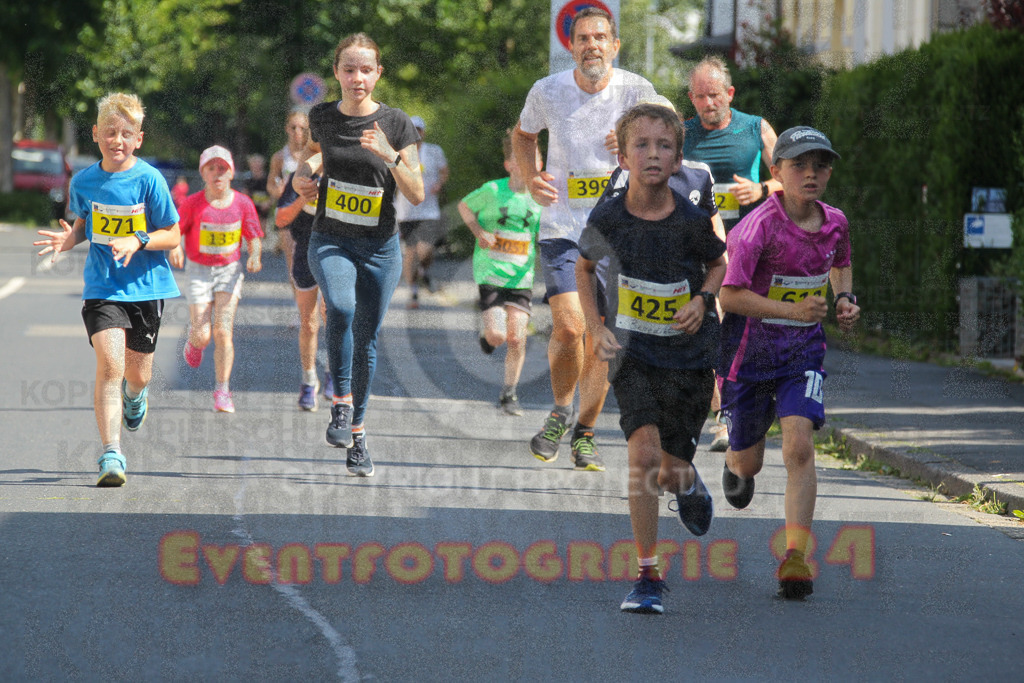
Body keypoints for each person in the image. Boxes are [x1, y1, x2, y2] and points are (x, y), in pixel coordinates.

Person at [577, 103, 726, 614]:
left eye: (664, 146)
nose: (653, 155)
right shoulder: (610, 215)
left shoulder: (689, 219)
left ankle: (685, 479)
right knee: (642, 454)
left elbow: (718, 263)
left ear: (679, 159)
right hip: (632, 350)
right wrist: (596, 327)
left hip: (689, 354)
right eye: (641, 145)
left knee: (669, 466)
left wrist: (702, 300)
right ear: (622, 156)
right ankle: (647, 574)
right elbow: (583, 268)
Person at [717, 126, 860, 600]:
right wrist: (791, 309)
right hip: (749, 353)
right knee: (749, 462)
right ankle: (736, 465)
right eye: (799, 165)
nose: (811, 173)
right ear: (776, 173)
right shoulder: (760, 226)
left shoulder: (835, 220)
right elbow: (731, 296)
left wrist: (843, 298)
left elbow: (839, 259)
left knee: (799, 446)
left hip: (803, 351)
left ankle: (795, 556)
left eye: (820, 164)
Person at [514, 6, 657, 472]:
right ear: (571, 47)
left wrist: (639, 136)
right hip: (562, 228)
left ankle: (586, 430)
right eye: (583, 38)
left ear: (614, 46)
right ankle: (560, 409)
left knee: (604, 341)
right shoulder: (548, 91)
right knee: (572, 326)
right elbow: (523, 134)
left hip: (620, 232)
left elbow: (670, 134)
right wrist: (531, 175)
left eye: (601, 37)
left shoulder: (635, 90)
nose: (592, 45)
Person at [33, 92, 181, 487]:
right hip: (102, 288)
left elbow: (173, 234)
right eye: (110, 132)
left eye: (126, 134)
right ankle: (111, 453)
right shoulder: (83, 181)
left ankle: (136, 397)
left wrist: (139, 240)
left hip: (145, 288)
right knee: (110, 366)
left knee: (139, 374)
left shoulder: (149, 180)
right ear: (96, 134)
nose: (118, 140)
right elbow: (84, 224)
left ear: (139, 139)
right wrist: (70, 239)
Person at [293, 32, 424, 477]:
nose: (357, 78)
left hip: (381, 248)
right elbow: (315, 155)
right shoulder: (323, 117)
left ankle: (359, 437)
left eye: (365, 69)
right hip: (330, 238)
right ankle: (341, 402)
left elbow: (418, 192)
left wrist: (389, 155)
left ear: (378, 73)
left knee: (366, 340)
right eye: (349, 69)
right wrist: (301, 175)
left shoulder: (397, 124)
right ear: (336, 73)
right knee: (342, 308)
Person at [685, 55, 784, 452]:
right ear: (691, 99)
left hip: (753, 245)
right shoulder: (682, 134)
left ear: (729, 93)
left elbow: (791, 181)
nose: (708, 104)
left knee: (746, 335)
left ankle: (749, 405)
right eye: (700, 97)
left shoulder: (756, 128)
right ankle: (725, 415)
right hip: (705, 249)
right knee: (714, 328)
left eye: (714, 96)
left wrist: (761, 190)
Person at [169, 145, 263, 413]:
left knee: (223, 332)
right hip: (198, 270)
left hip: (228, 271)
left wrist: (255, 256)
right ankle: (194, 340)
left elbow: (253, 236)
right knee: (203, 336)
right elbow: (175, 228)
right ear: (204, 174)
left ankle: (222, 390)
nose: (218, 174)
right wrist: (175, 247)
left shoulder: (243, 203)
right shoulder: (193, 203)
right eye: (212, 169)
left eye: (222, 168)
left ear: (231, 173)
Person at [457, 131, 542, 415]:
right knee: (498, 336)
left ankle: (509, 393)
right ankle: (487, 338)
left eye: (535, 158)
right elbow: (464, 206)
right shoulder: (494, 191)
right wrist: (479, 232)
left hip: (522, 277)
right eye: (522, 159)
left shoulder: (541, 198)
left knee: (517, 337)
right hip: (491, 272)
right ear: (509, 165)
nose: (530, 164)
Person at [275, 150, 333, 411]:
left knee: (334, 316)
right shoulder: (300, 175)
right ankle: (309, 380)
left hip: (338, 251)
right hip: (307, 250)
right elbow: (280, 219)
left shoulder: (348, 171)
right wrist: (302, 197)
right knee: (309, 322)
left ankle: (334, 374)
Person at [396, 115, 449, 309]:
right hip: (406, 211)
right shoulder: (399, 152)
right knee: (411, 252)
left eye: (419, 129)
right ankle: (413, 293)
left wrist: (439, 184)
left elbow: (444, 171)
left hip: (429, 210)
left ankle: (424, 272)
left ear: (424, 132)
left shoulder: (434, 151)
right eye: (413, 129)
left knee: (426, 251)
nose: (416, 133)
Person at [268, 110, 310, 273]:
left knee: (313, 261)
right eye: (293, 128)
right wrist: (277, 190)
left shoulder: (314, 154)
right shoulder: (279, 157)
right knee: (293, 262)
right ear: (287, 129)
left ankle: (312, 298)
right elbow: (270, 184)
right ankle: (298, 299)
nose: (297, 132)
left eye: (302, 128)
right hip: (288, 212)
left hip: (310, 212)